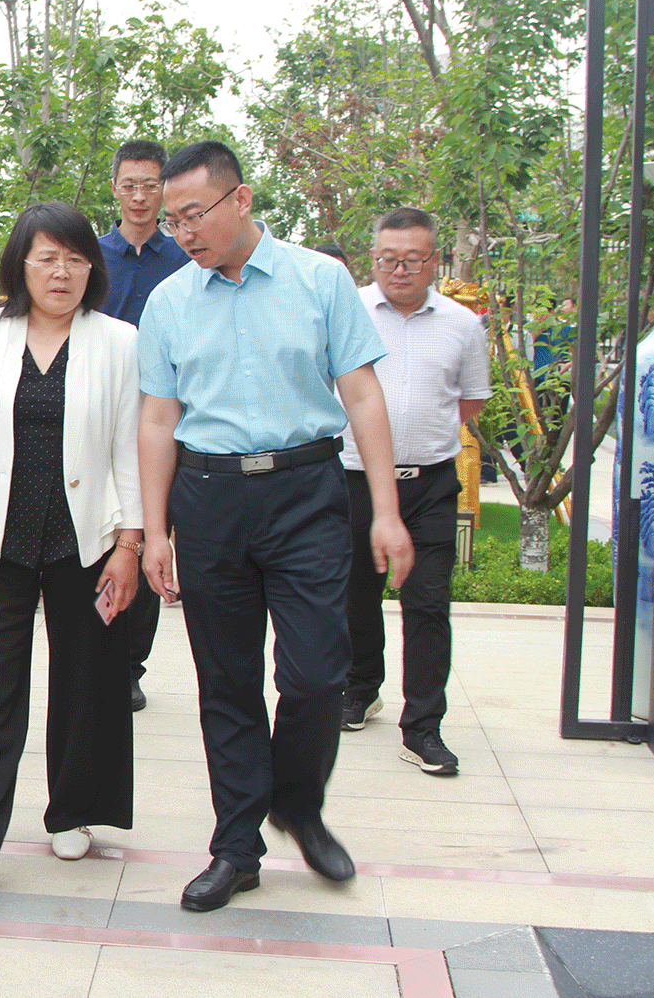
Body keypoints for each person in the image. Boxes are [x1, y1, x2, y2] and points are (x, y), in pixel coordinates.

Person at [134, 141, 414, 913]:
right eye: (172, 220)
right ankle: (235, 848)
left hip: (306, 493)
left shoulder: (318, 280)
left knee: (317, 674)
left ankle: (296, 803)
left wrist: (386, 511)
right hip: (208, 498)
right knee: (226, 682)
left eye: (194, 214)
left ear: (241, 199)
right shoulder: (169, 302)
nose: (182, 232)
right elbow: (156, 419)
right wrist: (154, 531)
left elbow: (361, 396)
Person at [0, 202, 144, 885]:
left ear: (92, 269)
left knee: (88, 678)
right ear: (21, 265)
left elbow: (129, 446)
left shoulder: (118, 341)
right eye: (47, 259)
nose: (61, 273)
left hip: (87, 535)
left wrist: (129, 543)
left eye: (75, 259)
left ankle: (74, 813)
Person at [340, 207, 490, 778]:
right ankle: (361, 688)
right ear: (372, 258)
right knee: (355, 592)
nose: (398, 270)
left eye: (411, 260)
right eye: (387, 259)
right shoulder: (347, 311)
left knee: (428, 601)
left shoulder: (462, 325)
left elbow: (469, 401)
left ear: (435, 261)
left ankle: (423, 726)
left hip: (428, 484)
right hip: (353, 477)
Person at [96, 139, 189, 714]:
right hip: (100, 415)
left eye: (150, 185)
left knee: (150, 533)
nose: (139, 196)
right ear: (115, 188)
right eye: (129, 185)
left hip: (163, 419)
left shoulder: (183, 259)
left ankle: (131, 666)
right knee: (101, 535)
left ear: (164, 190)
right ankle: (98, 655)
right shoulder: (90, 256)